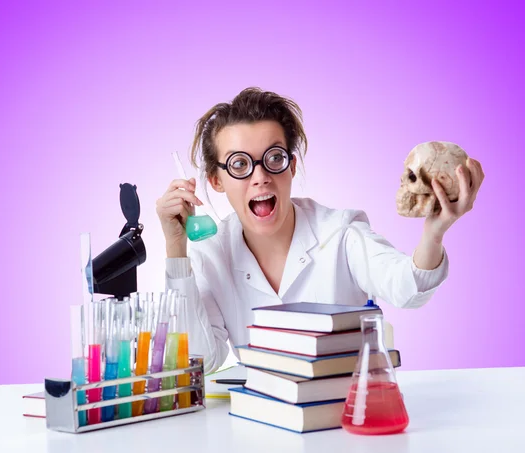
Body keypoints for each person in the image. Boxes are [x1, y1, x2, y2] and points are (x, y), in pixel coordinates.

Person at [156, 87, 485, 374]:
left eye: (274, 158)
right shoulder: (210, 253)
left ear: (291, 166)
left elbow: (408, 288)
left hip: (340, 421)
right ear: (215, 180)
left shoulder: (339, 232)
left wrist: (435, 232)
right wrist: (175, 249)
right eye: (240, 164)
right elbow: (200, 358)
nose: (260, 177)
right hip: (257, 422)